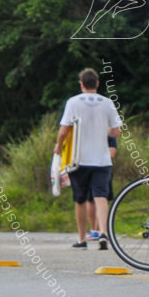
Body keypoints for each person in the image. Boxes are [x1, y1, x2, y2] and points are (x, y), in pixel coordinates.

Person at [54, 68, 121, 250]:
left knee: (80, 199)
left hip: (79, 159)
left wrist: (59, 147)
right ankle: (103, 233)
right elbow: (116, 131)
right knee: (101, 197)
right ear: (97, 84)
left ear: (81, 84)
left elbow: (64, 130)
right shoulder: (107, 103)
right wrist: (102, 129)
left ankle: (82, 239)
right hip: (102, 160)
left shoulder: (73, 102)